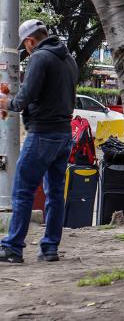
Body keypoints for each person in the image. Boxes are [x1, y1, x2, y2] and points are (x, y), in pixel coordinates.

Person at [0, 20, 79, 264]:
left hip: (42, 133)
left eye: (27, 46)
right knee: (55, 193)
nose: (28, 51)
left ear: (30, 41)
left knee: (22, 191)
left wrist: (7, 104)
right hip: (64, 134)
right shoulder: (69, 60)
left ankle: (12, 248)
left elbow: (26, 96)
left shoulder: (40, 58)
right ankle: (49, 248)